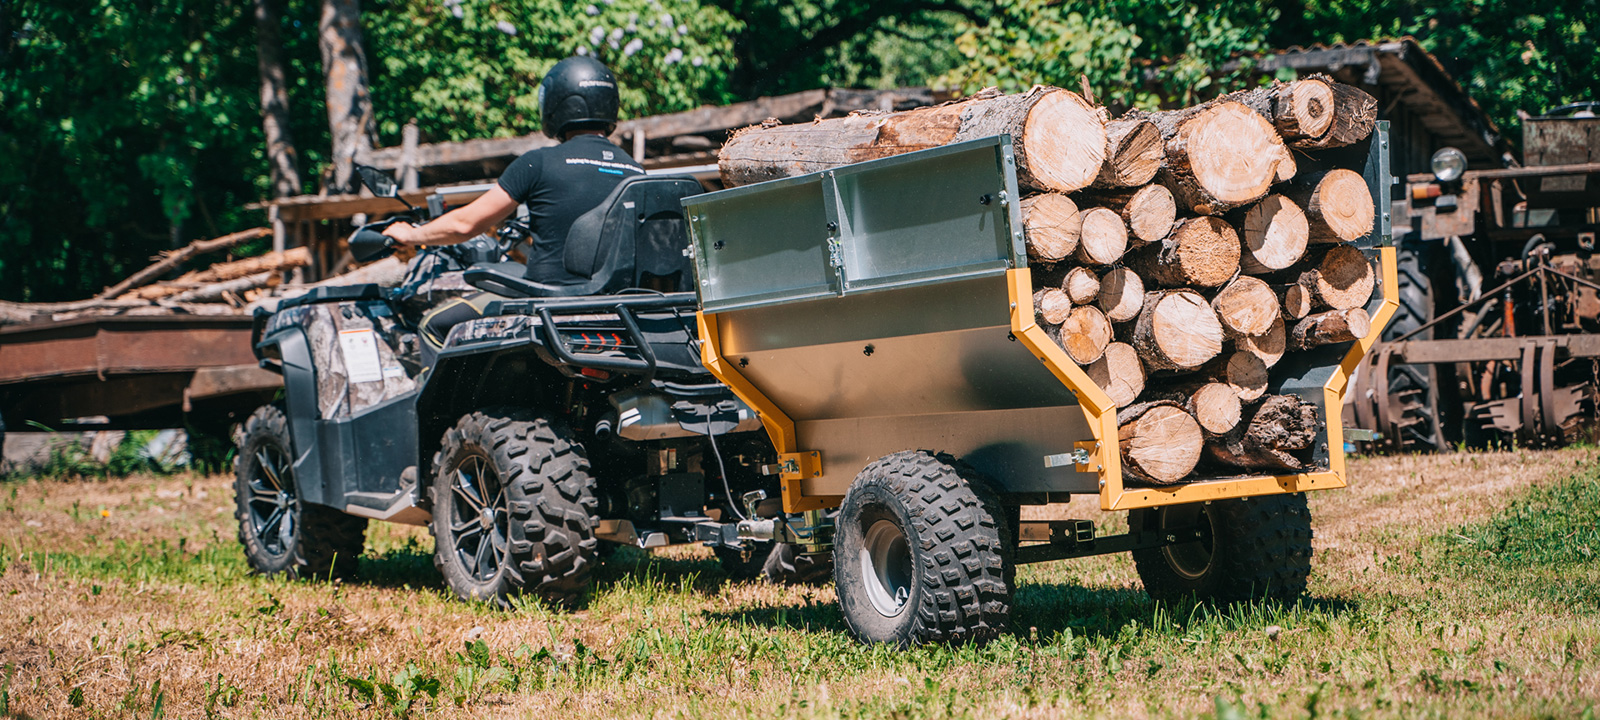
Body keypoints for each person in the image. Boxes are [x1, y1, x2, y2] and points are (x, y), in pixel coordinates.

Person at [382, 56, 643, 371]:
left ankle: (442, 420)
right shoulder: (636, 171)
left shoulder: (539, 162)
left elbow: (465, 224)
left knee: (434, 325)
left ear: (557, 104)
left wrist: (410, 234)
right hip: (619, 308)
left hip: (552, 304)